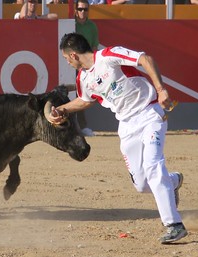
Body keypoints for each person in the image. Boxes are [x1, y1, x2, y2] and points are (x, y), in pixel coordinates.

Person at [48, 33, 187, 244]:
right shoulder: (83, 78)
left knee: (153, 166)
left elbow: (145, 59)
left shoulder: (109, 55)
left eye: (66, 58)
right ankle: (173, 181)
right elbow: (85, 101)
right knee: (141, 184)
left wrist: (160, 89)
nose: (67, 62)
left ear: (74, 55)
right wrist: (61, 110)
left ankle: (174, 224)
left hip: (149, 113)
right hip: (127, 126)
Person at [74, 0, 99, 136]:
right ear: (76, 10)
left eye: (85, 9)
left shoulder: (92, 26)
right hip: (71, 64)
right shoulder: (71, 24)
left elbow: (94, 48)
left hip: (85, 66)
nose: (82, 12)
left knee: (82, 95)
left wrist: (91, 66)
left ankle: (82, 127)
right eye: (80, 9)